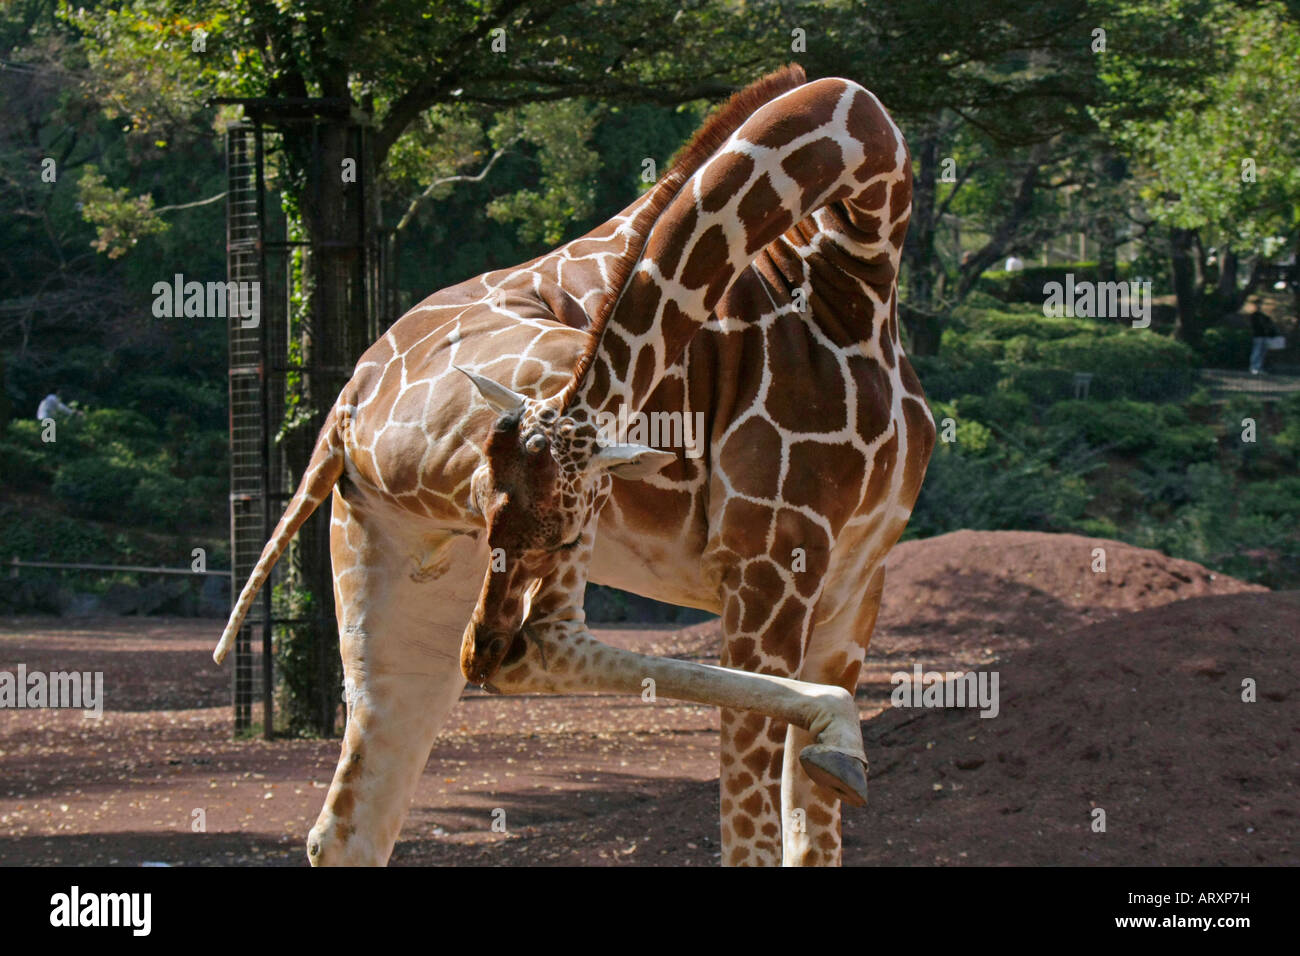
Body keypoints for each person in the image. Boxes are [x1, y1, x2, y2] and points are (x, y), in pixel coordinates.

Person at [1248, 298, 1278, 375]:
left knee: (1262, 353)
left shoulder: (1263, 316)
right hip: (1258, 336)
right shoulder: (1254, 316)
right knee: (1257, 351)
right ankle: (1254, 367)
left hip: (1265, 336)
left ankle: (1259, 367)